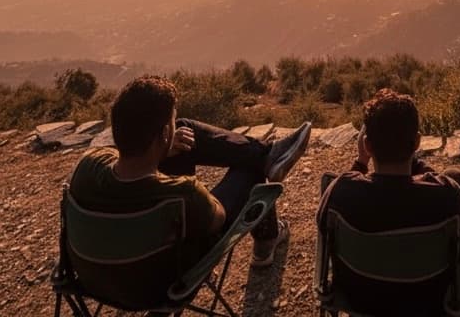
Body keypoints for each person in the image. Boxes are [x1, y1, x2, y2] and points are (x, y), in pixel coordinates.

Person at [70, 75, 311, 274]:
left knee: (185, 133)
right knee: (250, 165)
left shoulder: (87, 167)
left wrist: (164, 150)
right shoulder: (184, 194)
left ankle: (267, 157)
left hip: (101, 279)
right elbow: (218, 221)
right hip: (165, 278)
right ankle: (266, 163)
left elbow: (128, 157)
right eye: (171, 124)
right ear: (164, 134)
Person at [317, 89, 460, 316]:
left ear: (367, 145)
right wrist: (412, 159)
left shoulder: (340, 194)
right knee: (454, 174)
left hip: (361, 304)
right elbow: (433, 181)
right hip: (429, 305)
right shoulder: (448, 196)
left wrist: (361, 161)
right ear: (417, 142)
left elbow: (324, 235)